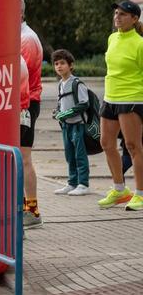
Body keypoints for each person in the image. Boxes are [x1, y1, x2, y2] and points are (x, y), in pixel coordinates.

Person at [97, 0, 143, 210]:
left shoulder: (140, 43)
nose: (117, 17)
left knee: (133, 146)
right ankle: (119, 190)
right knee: (106, 143)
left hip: (132, 99)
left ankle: (140, 194)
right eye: (116, 13)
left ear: (134, 19)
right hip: (110, 98)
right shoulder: (112, 38)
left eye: (123, 14)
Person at [51, 49, 91, 196]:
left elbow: (84, 104)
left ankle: (83, 184)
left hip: (78, 125)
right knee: (69, 155)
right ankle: (72, 183)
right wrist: (57, 112)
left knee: (80, 155)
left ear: (71, 65)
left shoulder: (77, 83)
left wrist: (65, 114)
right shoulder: (60, 84)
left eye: (62, 63)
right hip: (66, 126)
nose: (59, 66)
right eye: (56, 64)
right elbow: (60, 103)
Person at [19, 0, 44, 227]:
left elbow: (18, 76)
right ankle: (26, 208)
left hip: (25, 104)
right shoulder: (19, 36)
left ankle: (32, 211)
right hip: (21, 104)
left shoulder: (26, 39)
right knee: (19, 157)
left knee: (24, 158)